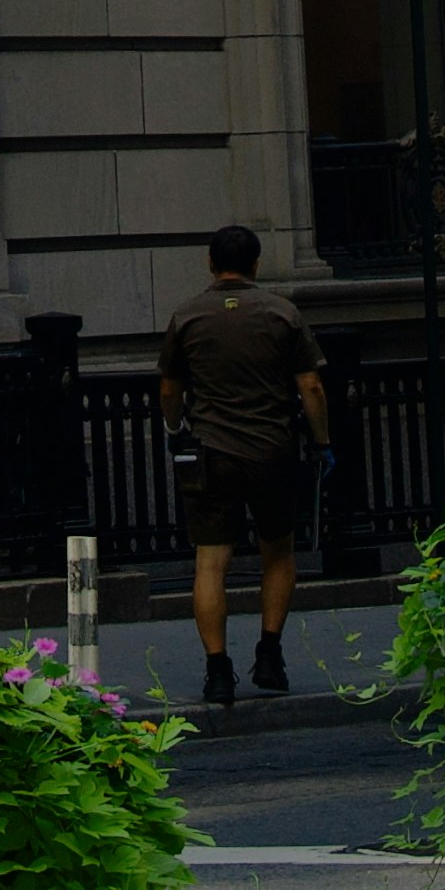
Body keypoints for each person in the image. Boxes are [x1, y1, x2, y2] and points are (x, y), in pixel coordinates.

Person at [159, 217, 330, 709]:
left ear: (211, 264)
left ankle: (217, 672)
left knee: (211, 562)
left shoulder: (187, 316)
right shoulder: (281, 313)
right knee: (278, 552)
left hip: (211, 450)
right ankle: (270, 654)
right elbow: (311, 386)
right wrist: (321, 442)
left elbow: (170, 388)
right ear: (256, 264)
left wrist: (176, 429)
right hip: (272, 448)